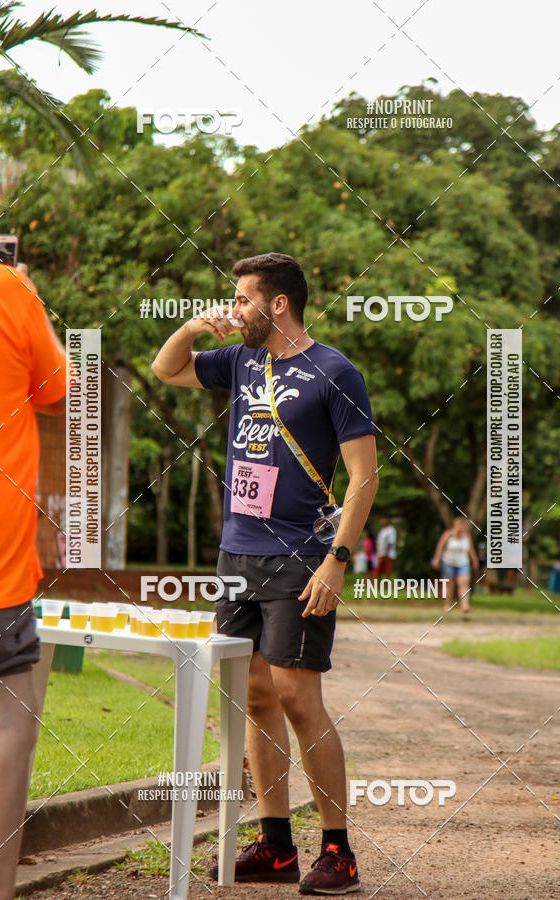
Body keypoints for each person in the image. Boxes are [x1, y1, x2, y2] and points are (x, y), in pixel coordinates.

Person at [152, 252, 378, 895]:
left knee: (298, 698)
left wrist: (338, 560)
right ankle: (275, 844)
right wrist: (197, 327)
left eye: (243, 298)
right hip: (237, 552)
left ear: (278, 304)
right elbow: (165, 370)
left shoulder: (334, 372)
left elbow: (365, 477)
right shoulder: (242, 359)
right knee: (251, 697)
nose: (236, 308)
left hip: (302, 555)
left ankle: (339, 850)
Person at [0, 261, 66, 900]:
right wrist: (30, 295)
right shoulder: (8, 289)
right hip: (2, 571)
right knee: (6, 728)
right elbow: (56, 385)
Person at [431, 517, 479, 614]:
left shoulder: (467, 536)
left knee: (464, 583)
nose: (461, 527)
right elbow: (440, 547)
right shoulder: (448, 535)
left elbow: (471, 550)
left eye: (463, 525)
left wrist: (475, 561)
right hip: (448, 563)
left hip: (463, 563)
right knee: (449, 585)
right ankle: (447, 605)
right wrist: (437, 559)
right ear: (455, 525)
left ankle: (465, 606)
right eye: (459, 525)